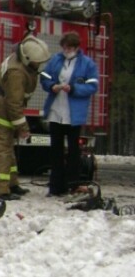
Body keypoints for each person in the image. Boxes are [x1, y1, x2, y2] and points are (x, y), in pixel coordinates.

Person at [0, 35, 51, 200]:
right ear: (27, 59)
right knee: (2, 150)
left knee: (9, 148)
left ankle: (12, 184)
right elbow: (14, 103)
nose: (39, 65)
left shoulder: (21, 60)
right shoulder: (17, 73)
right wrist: (22, 127)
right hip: (0, 109)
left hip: (3, 106)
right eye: (37, 62)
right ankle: (1, 189)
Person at [40, 31, 99, 197]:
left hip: (74, 114)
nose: (67, 50)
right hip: (55, 111)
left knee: (74, 151)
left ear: (77, 47)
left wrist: (74, 88)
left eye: (70, 47)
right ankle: (56, 187)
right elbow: (44, 77)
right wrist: (52, 86)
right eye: (65, 47)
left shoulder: (87, 64)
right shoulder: (56, 60)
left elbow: (93, 85)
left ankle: (73, 184)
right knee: (55, 150)